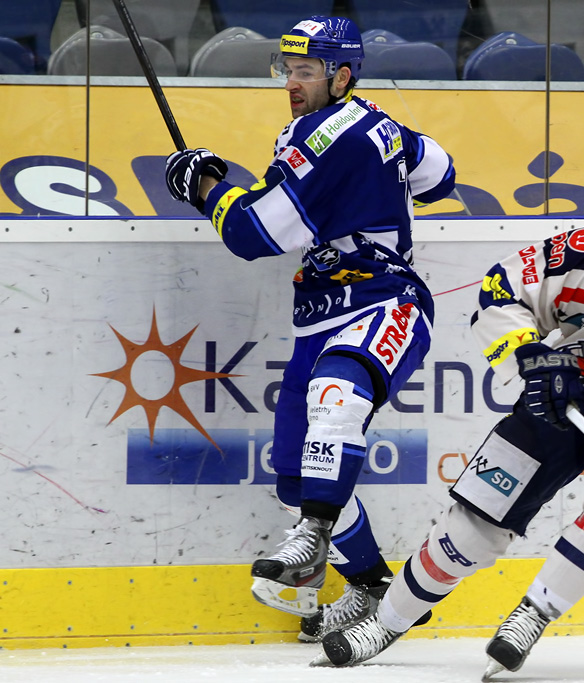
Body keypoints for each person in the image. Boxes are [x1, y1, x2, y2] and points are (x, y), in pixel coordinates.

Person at [312, 164, 584, 675]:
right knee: (473, 529)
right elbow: (502, 289)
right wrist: (532, 355)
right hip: (565, 398)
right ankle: (386, 622)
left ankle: (532, 615)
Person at [162, 15, 456, 642]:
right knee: (297, 479)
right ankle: (371, 587)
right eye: (287, 69)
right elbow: (440, 172)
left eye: (306, 71)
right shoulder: (369, 121)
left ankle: (312, 541)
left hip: (383, 301)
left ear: (342, 75)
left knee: (336, 398)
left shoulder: (325, 135)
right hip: (318, 318)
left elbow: (253, 233)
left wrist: (205, 186)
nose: (291, 82)